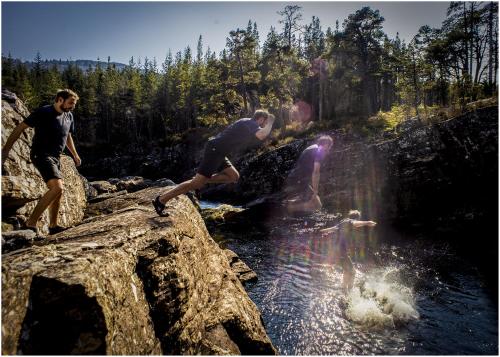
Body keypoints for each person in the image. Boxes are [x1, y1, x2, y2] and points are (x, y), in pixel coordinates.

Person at [152, 110, 275, 216]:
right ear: (261, 119)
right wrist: (271, 121)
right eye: (264, 123)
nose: (264, 125)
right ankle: (161, 200)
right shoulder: (250, 123)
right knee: (196, 183)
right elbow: (262, 135)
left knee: (233, 177)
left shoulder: (247, 122)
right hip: (215, 150)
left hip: (219, 152)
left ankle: (201, 180)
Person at [2, 89, 81, 235]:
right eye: (70, 103)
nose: (72, 106)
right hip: (41, 154)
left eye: (74, 104)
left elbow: (68, 136)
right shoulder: (44, 112)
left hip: (56, 157)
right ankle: (30, 222)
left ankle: (53, 225)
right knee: (57, 189)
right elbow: (20, 128)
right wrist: (6, 149)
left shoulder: (69, 115)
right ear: (59, 99)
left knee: (58, 192)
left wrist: (75, 155)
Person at [320, 210, 377, 291]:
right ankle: (350, 291)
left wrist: (323, 231)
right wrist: (367, 222)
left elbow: (333, 228)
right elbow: (355, 223)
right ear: (357, 218)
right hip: (342, 253)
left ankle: (343, 289)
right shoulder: (351, 221)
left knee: (346, 270)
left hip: (337, 251)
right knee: (353, 272)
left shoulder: (342, 222)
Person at [283, 135, 333, 214]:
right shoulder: (319, 151)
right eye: (329, 146)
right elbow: (316, 172)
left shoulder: (313, 147)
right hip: (298, 180)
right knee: (316, 204)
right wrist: (315, 191)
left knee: (316, 202)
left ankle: (292, 207)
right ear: (326, 144)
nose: (329, 149)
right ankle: (289, 208)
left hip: (296, 179)